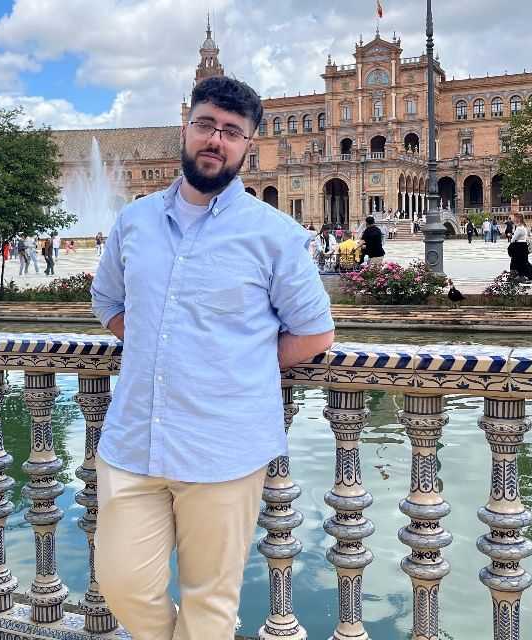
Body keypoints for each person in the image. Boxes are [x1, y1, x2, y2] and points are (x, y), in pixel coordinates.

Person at [91, 75, 334, 640]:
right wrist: (157, 344)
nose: (215, 139)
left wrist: (238, 362)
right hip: (134, 440)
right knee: (122, 584)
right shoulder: (134, 222)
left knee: (210, 606)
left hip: (224, 447)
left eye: (231, 131)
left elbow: (315, 333)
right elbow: (108, 302)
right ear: (186, 128)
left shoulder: (276, 235)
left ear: (249, 144)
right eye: (205, 125)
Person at [509, 213, 532, 281]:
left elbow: (513, 239)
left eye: (514, 218)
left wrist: (511, 236)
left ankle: (519, 275)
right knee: (524, 262)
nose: (513, 219)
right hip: (523, 245)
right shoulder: (523, 227)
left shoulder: (519, 228)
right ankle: (522, 275)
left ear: (518, 219)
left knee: (518, 262)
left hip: (519, 246)